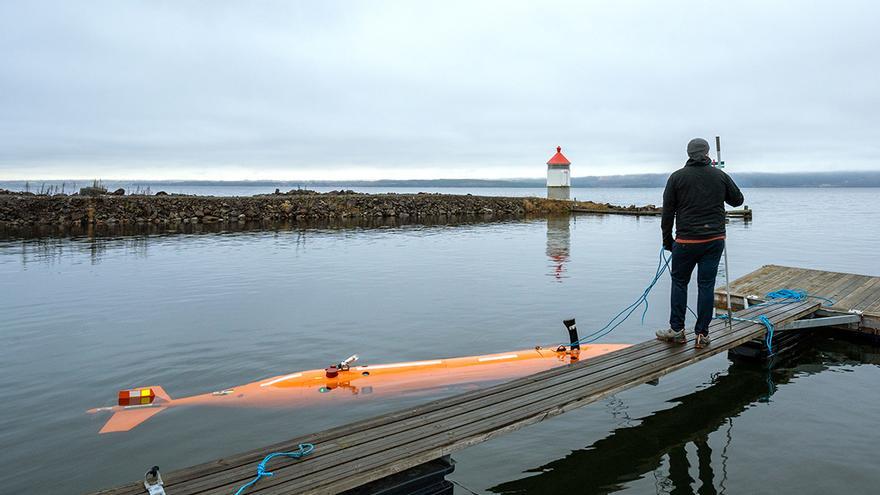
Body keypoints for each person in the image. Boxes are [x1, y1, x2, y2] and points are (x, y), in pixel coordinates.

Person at [656, 138, 744, 348]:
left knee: (679, 283)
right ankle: (702, 334)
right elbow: (738, 200)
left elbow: (667, 213)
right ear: (706, 153)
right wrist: (721, 180)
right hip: (714, 240)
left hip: (685, 241)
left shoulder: (677, 177)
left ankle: (677, 330)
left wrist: (667, 241)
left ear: (688, 153)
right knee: (706, 286)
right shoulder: (719, 176)